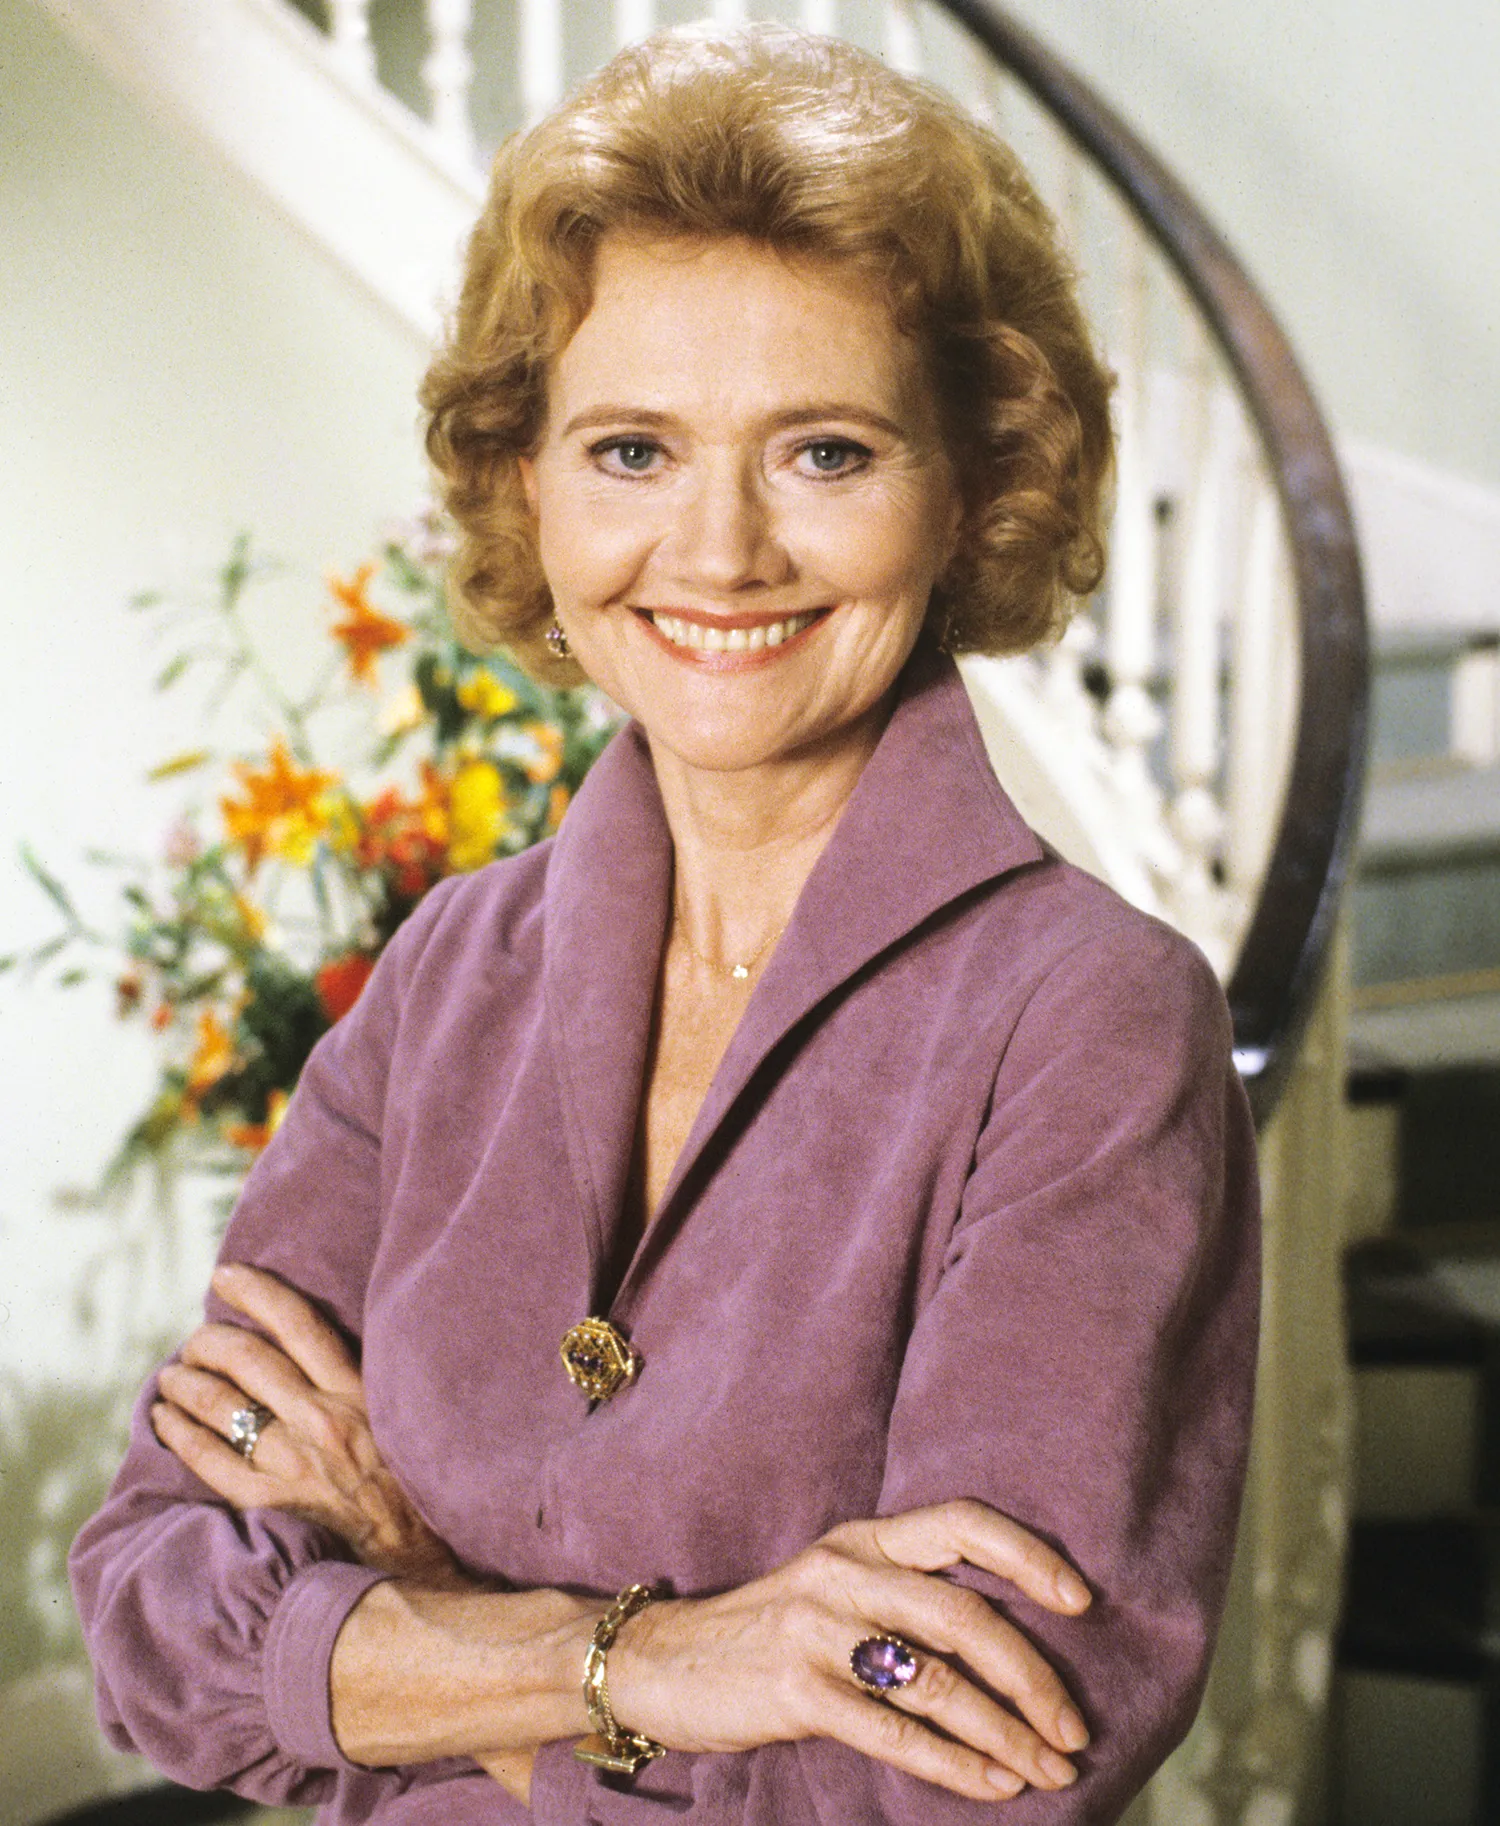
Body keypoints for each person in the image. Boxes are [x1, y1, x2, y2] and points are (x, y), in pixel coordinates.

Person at [70, 23, 1259, 1825]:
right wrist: (644, 1660)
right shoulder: (448, 971)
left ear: (973, 487)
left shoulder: (1089, 1022)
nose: (718, 552)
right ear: (527, 483)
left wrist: (417, 1626)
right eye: (632, 449)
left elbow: (963, 1781)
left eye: (825, 454)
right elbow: (154, 1622)